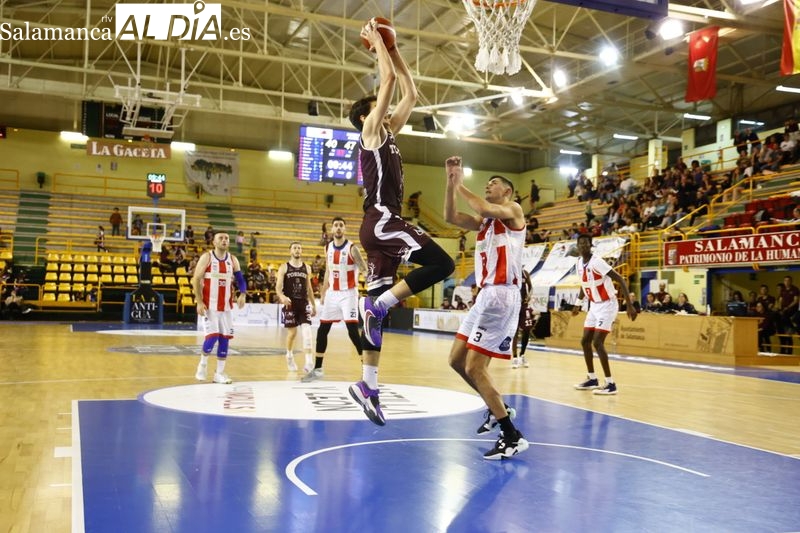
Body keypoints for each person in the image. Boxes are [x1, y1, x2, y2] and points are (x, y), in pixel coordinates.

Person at [346, 19, 455, 426]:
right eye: (379, 107)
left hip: (377, 228)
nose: (389, 110)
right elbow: (389, 83)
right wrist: (377, 44)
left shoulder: (389, 133)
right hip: (382, 220)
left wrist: (393, 50)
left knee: (377, 315)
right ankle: (379, 304)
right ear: (366, 117)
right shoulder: (371, 131)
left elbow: (411, 90)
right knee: (443, 265)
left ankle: (367, 384)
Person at [444, 156, 529, 460]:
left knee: (474, 367)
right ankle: (499, 409)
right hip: (485, 296)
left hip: (501, 296)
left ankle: (511, 434)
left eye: (493, 183)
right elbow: (450, 216)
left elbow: (482, 206)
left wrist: (461, 183)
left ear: (507, 191)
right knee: (456, 361)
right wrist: (449, 182)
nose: (488, 186)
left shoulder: (513, 212)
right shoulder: (485, 224)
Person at [301, 217, 366, 383]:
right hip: (332, 293)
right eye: (335, 225)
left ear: (344, 229)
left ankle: (367, 368)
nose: (338, 228)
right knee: (323, 330)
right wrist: (323, 293)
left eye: (341, 225)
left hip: (349, 293)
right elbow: (328, 272)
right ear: (332, 230)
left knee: (352, 331)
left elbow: (364, 269)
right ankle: (318, 369)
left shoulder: (352, 249)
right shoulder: (328, 247)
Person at [572, 233, 637, 395]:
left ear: (590, 245)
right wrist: (578, 304)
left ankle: (610, 383)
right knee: (585, 341)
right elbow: (584, 284)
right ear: (577, 246)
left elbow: (620, 279)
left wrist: (629, 305)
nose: (583, 246)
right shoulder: (579, 263)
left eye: (586, 243)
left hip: (608, 304)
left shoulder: (597, 262)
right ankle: (592, 379)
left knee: (597, 342)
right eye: (581, 244)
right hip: (593, 305)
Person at [192, 232, 247, 384]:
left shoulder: (232, 259)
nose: (224, 240)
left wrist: (242, 294)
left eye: (226, 238)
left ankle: (219, 373)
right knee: (213, 337)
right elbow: (196, 279)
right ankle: (202, 365)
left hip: (226, 307)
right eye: (221, 238)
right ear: (214, 242)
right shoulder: (207, 257)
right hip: (210, 306)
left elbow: (241, 279)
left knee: (225, 339)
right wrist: (199, 301)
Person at [275, 242, 317, 373]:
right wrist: (281, 296)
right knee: (292, 333)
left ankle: (309, 362)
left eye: (299, 248)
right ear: (290, 251)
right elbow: (277, 288)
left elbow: (309, 288)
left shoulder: (307, 268)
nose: (297, 250)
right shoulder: (284, 267)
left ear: (301, 251)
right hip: (290, 303)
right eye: (294, 248)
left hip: (303, 303)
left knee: (307, 332)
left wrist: (314, 304)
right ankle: (289, 355)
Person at [511, 269, 533, 369]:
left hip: (524, 305)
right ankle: (515, 358)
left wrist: (529, 295)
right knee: (514, 331)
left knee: (527, 329)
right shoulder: (510, 272)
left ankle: (522, 355)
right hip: (514, 306)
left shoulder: (525, 273)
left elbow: (531, 287)